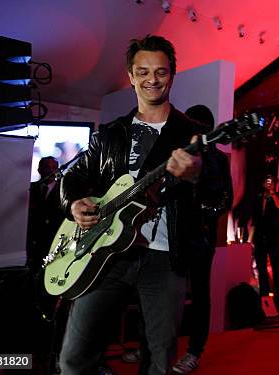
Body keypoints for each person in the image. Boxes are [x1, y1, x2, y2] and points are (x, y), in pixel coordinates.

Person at [58, 34, 225, 375]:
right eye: (143, 71)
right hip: (105, 255)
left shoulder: (194, 137)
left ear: (172, 76)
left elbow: (220, 200)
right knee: (73, 358)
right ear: (131, 76)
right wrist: (73, 203)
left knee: (159, 362)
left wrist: (195, 179)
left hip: (164, 258)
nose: (152, 79)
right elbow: (73, 180)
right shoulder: (110, 134)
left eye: (161, 71)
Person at [170, 104, 232, 374]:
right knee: (163, 292)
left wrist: (208, 216)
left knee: (200, 295)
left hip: (201, 237)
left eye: (200, 125)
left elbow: (226, 198)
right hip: (173, 234)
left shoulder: (219, 159)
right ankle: (152, 344)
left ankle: (195, 350)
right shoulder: (179, 155)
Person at [249, 175, 279, 321]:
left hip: (273, 238)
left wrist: (273, 193)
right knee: (262, 271)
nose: (269, 184)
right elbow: (254, 221)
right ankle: (265, 303)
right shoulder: (258, 198)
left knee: (277, 270)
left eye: (271, 182)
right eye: (267, 181)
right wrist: (250, 240)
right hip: (260, 239)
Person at [27, 156, 65, 271]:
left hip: (53, 240)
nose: (51, 171)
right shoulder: (31, 188)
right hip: (32, 240)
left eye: (54, 168)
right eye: (47, 167)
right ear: (39, 170)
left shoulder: (63, 190)